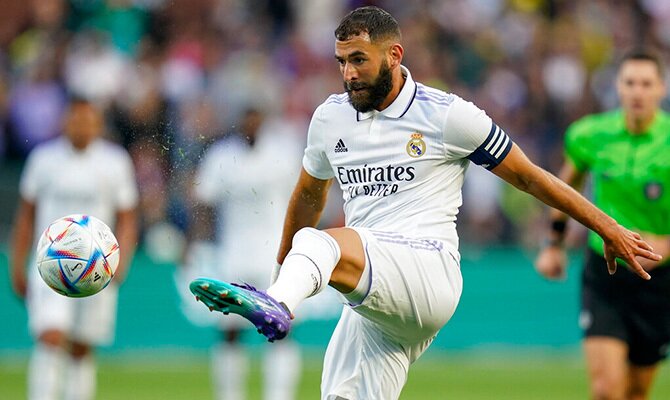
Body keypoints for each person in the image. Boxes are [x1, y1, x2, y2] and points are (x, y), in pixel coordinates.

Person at [189, 7, 661, 400]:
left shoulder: (446, 115)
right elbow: (309, 193)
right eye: (340, 61)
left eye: (359, 59)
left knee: (320, 242)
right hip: (377, 302)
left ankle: (277, 306)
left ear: (394, 55)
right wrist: (282, 272)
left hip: (427, 271)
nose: (349, 72)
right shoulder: (329, 117)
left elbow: (531, 177)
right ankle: (277, 300)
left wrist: (607, 227)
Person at [535, 49, 670, 400]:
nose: (637, 92)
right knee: (606, 390)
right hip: (605, 274)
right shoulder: (590, 135)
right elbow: (566, 188)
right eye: (630, 83)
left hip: (659, 279)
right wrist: (554, 244)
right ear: (618, 88)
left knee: (637, 390)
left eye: (646, 84)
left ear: (661, 89)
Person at [10, 96, 138, 400]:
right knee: (51, 336)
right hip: (50, 264)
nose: (82, 126)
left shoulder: (115, 161)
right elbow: (26, 214)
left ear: (98, 125)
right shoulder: (43, 159)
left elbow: (128, 217)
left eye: (89, 120)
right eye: (77, 119)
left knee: (81, 347)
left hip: (96, 266)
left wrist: (123, 261)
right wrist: (17, 262)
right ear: (66, 121)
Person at [186, 108, 303, 400]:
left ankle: (279, 395)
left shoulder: (282, 153)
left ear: (263, 121)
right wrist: (195, 242)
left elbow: (302, 200)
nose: (251, 124)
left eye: (256, 118)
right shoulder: (221, 156)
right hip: (233, 254)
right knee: (230, 331)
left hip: (274, 254)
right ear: (240, 123)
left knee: (281, 326)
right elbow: (204, 204)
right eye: (247, 119)